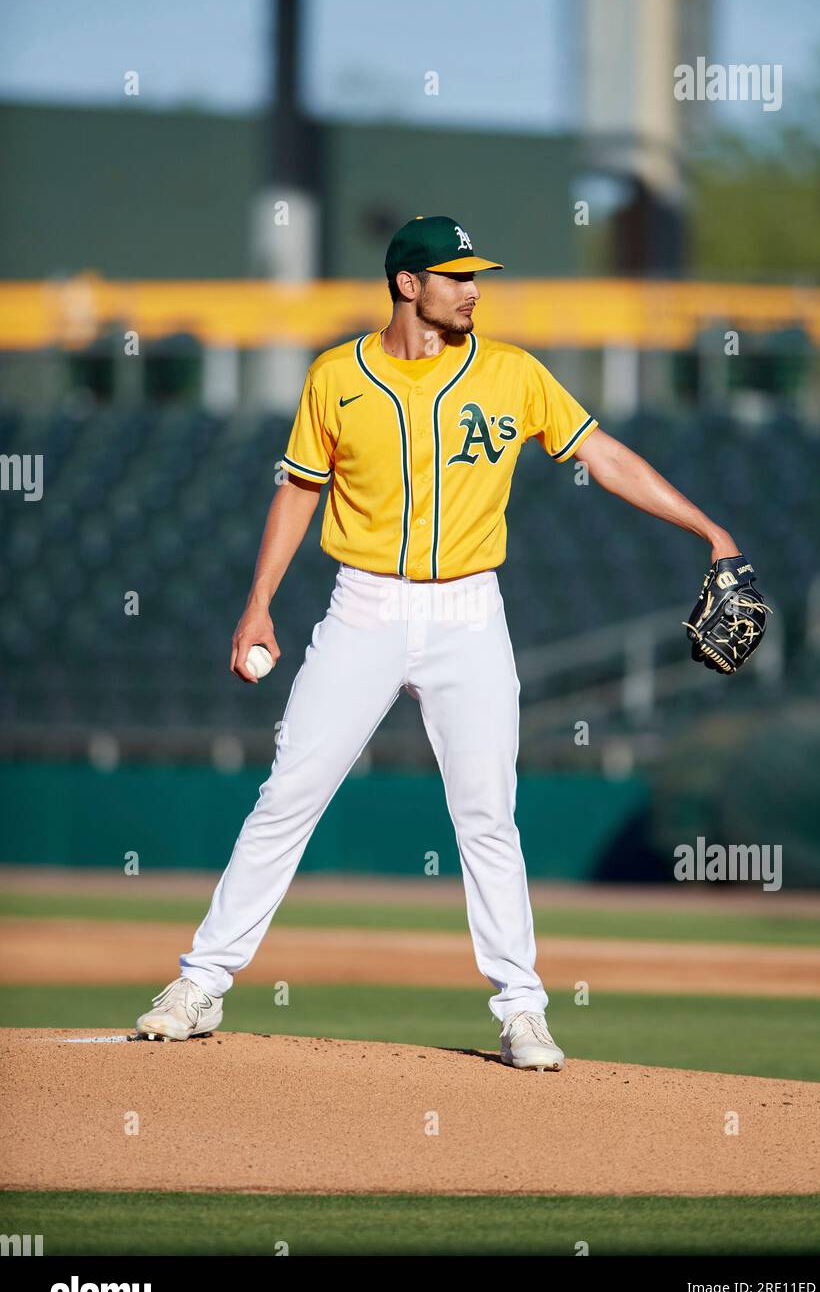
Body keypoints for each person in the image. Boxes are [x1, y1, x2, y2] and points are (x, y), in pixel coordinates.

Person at [136, 216, 740, 1071]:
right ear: (407, 285)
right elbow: (299, 494)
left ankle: (522, 1009)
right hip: (363, 610)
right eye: (454, 275)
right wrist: (259, 603)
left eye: (474, 275)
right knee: (288, 797)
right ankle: (200, 984)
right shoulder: (336, 377)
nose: (473, 288)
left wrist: (707, 528)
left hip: (468, 612)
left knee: (488, 815)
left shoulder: (511, 372)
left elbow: (599, 453)